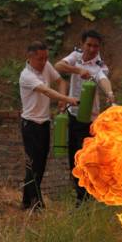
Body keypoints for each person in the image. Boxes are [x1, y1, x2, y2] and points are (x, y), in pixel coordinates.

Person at [55, 29, 115, 204]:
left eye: (95, 46)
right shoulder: (76, 56)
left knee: (87, 160)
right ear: (83, 44)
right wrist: (77, 70)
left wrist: (109, 93)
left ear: (99, 47)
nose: (92, 49)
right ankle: (80, 196)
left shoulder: (100, 66)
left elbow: (103, 79)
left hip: (90, 121)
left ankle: (87, 197)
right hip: (73, 116)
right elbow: (58, 65)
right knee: (74, 157)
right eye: (89, 45)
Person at [19, 42, 79, 210]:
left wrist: (62, 97)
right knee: (34, 163)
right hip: (30, 124)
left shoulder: (46, 66)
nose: (44, 62)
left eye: (46, 58)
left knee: (40, 163)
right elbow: (46, 91)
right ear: (30, 58)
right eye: (40, 59)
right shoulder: (26, 75)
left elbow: (60, 81)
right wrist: (68, 99)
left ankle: (26, 201)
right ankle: (36, 203)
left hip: (44, 123)